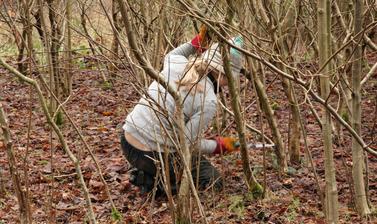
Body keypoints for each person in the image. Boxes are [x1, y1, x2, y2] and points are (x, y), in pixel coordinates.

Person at [120, 27, 244, 195]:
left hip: (126, 141)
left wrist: (201, 38)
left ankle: (150, 173)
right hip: (153, 155)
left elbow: (185, 49)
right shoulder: (208, 101)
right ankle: (153, 184)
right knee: (212, 180)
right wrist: (219, 145)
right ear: (224, 75)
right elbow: (185, 145)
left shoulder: (175, 61)